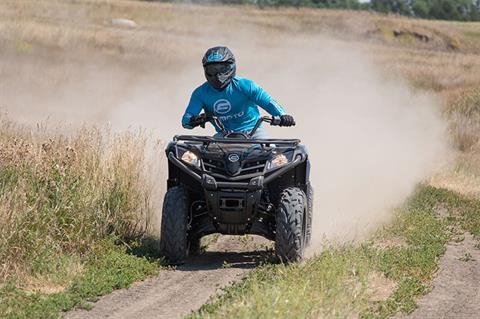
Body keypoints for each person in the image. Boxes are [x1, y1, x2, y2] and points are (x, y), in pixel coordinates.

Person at [181, 46, 295, 138]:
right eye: (212, 70)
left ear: (231, 66)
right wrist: (196, 119)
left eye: (222, 69)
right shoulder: (200, 93)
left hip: (254, 134)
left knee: (274, 154)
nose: (217, 75)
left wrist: (283, 116)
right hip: (223, 136)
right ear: (206, 70)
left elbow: (269, 102)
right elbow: (185, 121)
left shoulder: (246, 85)